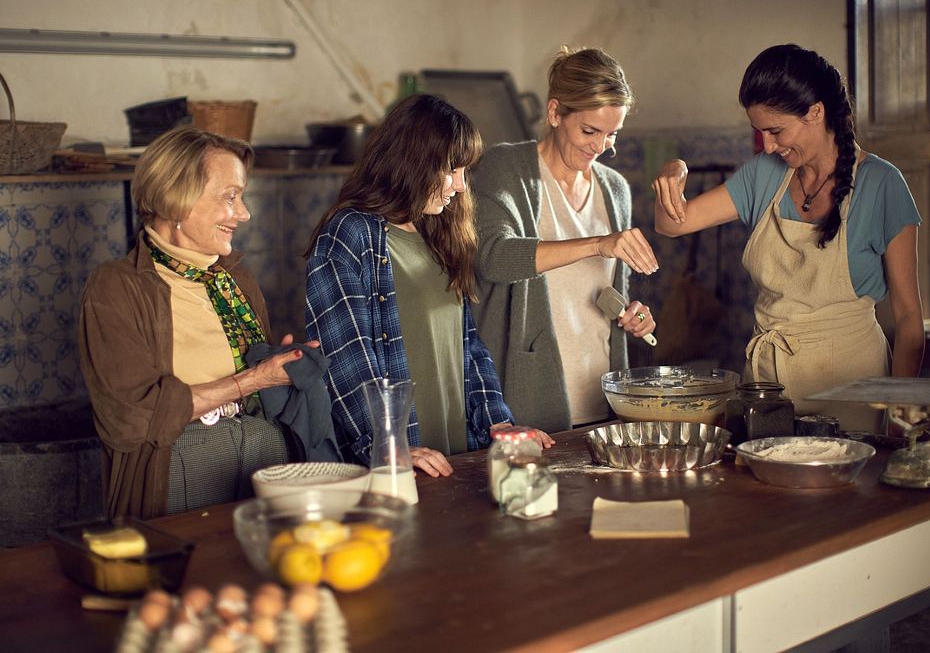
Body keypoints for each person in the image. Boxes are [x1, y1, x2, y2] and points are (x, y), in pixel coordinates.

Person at [654, 43, 924, 430]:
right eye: (760, 132)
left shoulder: (882, 184)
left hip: (853, 390)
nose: (768, 145)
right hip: (768, 389)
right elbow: (671, 224)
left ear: (815, 112)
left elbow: (909, 316)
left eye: (776, 130)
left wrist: (901, 413)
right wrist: (674, 169)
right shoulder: (764, 175)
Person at [305, 94, 553, 478]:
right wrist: (390, 446)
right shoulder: (351, 233)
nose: (461, 185)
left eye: (464, 171)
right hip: (397, 462)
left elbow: (468, 344)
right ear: (413, 161)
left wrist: (498, 423)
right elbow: (345, 360)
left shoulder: (439, 231)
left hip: (455, 454)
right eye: (451, 170)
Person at [79, 126, 319, 519]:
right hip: (182, 467)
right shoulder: (117, 286)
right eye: (230, 197)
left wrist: (281, 366)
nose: (244, 213)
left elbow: (260, 384)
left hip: (266, 453)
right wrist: (253, 380)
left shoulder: (235, 280)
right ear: (178, 198)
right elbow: (129, 418)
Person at [472, 47, 658, 433]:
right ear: (555, 113)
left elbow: (607, 295)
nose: (600, 147)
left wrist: (633, 316)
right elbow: (492, 258)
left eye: (611, 134)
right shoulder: (506, 168)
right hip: (526, 404)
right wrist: (597, 244)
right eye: (589, 131)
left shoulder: (615, 189)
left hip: (604, 400)